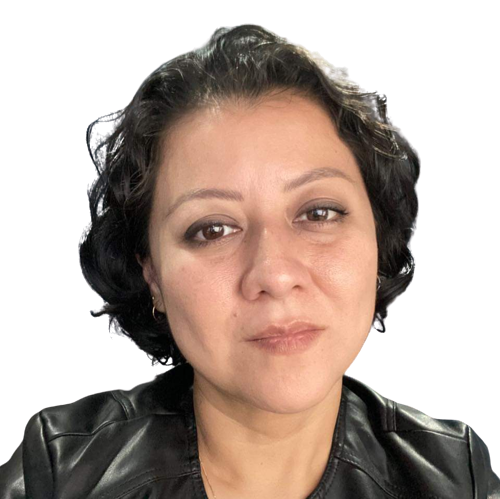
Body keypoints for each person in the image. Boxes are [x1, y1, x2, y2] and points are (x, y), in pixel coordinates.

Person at [1, 23, 498, 499]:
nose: (275, 275)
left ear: (378, 238)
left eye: (318, 213)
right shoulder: (59, 473)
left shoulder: (458, 477)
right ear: (152, 275)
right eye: (212, 229)